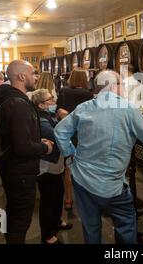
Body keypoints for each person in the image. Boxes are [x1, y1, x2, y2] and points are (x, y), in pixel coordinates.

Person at [54, 70, 143, 244]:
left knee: (91, 228)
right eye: (121, 84)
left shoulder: (84, 107)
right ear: (114, 86)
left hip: (82, 179)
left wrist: (70, 155)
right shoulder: (127, 109)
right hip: (112, 184)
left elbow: (60, 131)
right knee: (126, 225)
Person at [0, 60, 54, 244]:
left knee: (13, 215)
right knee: (20, 221)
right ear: (21, 76)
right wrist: (45, 147)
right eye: (32, 73)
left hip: (10, 167)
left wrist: (35, 140)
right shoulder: (18, 103)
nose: (36, 77)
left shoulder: (8, 99)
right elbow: (22, 147)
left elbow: (17, 137)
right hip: (20, 171)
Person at [31, 89, 72, 244]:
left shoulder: (48, 115)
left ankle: (56, 221)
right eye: (50, 99)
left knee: (58, 193)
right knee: (48, 198)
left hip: (56, 163)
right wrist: (65, 119)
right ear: (41, 105)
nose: (54, 101)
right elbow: (57, 135)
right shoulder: (41, 120)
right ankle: (47, 234)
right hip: (46, 165)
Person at [56, 68, 92, 210]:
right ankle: (86, 199)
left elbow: (59, 111)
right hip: (84, 133)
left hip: (68, 132)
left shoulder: (64, 91)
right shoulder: (87, 94)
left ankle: (68, 200)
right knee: (86, 167)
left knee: (68, 167)